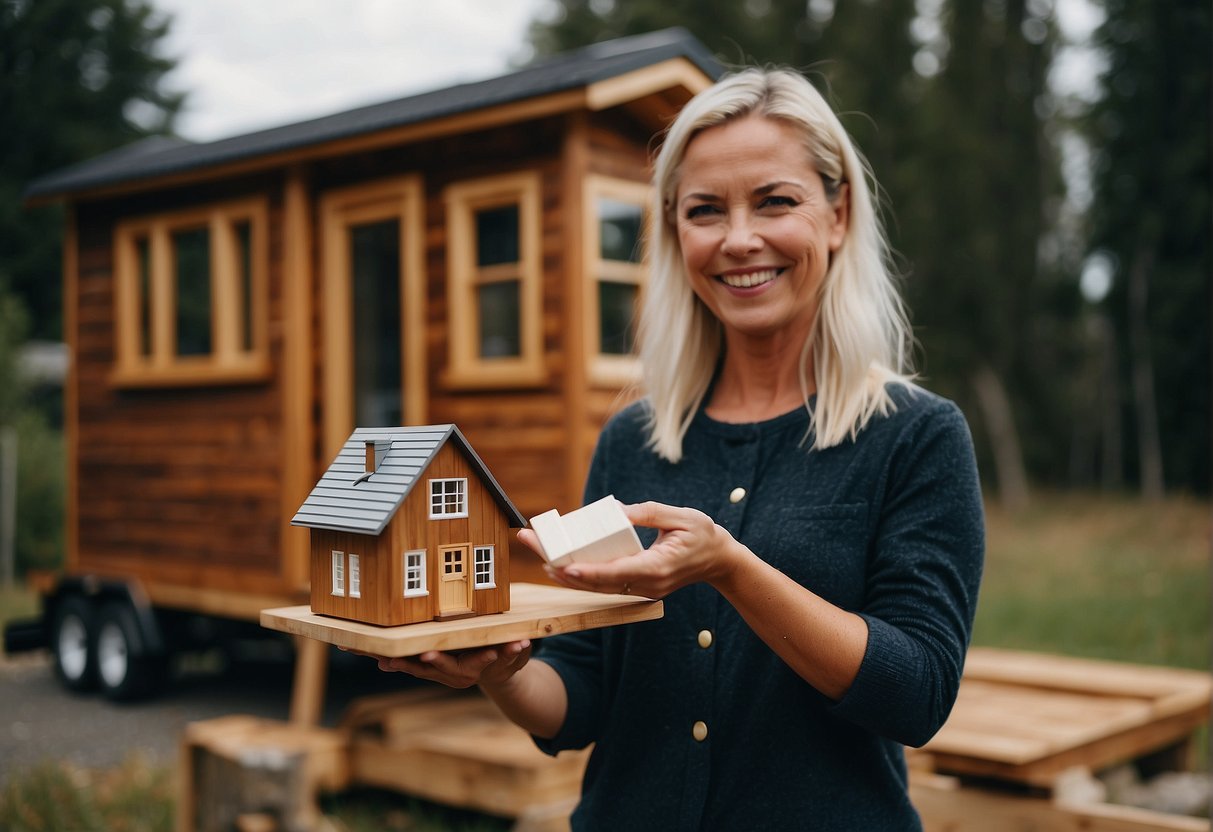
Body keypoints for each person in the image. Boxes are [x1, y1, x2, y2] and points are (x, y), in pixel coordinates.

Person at [373, 67, 984, 831]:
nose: (737, 240)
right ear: (673, 234)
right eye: (703, 211)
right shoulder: (633, 439)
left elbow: (916, 694)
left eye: (774, 201)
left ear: (837, 215)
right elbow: (584, 697)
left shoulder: (915, 435)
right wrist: (503, 670)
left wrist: (729, 568)